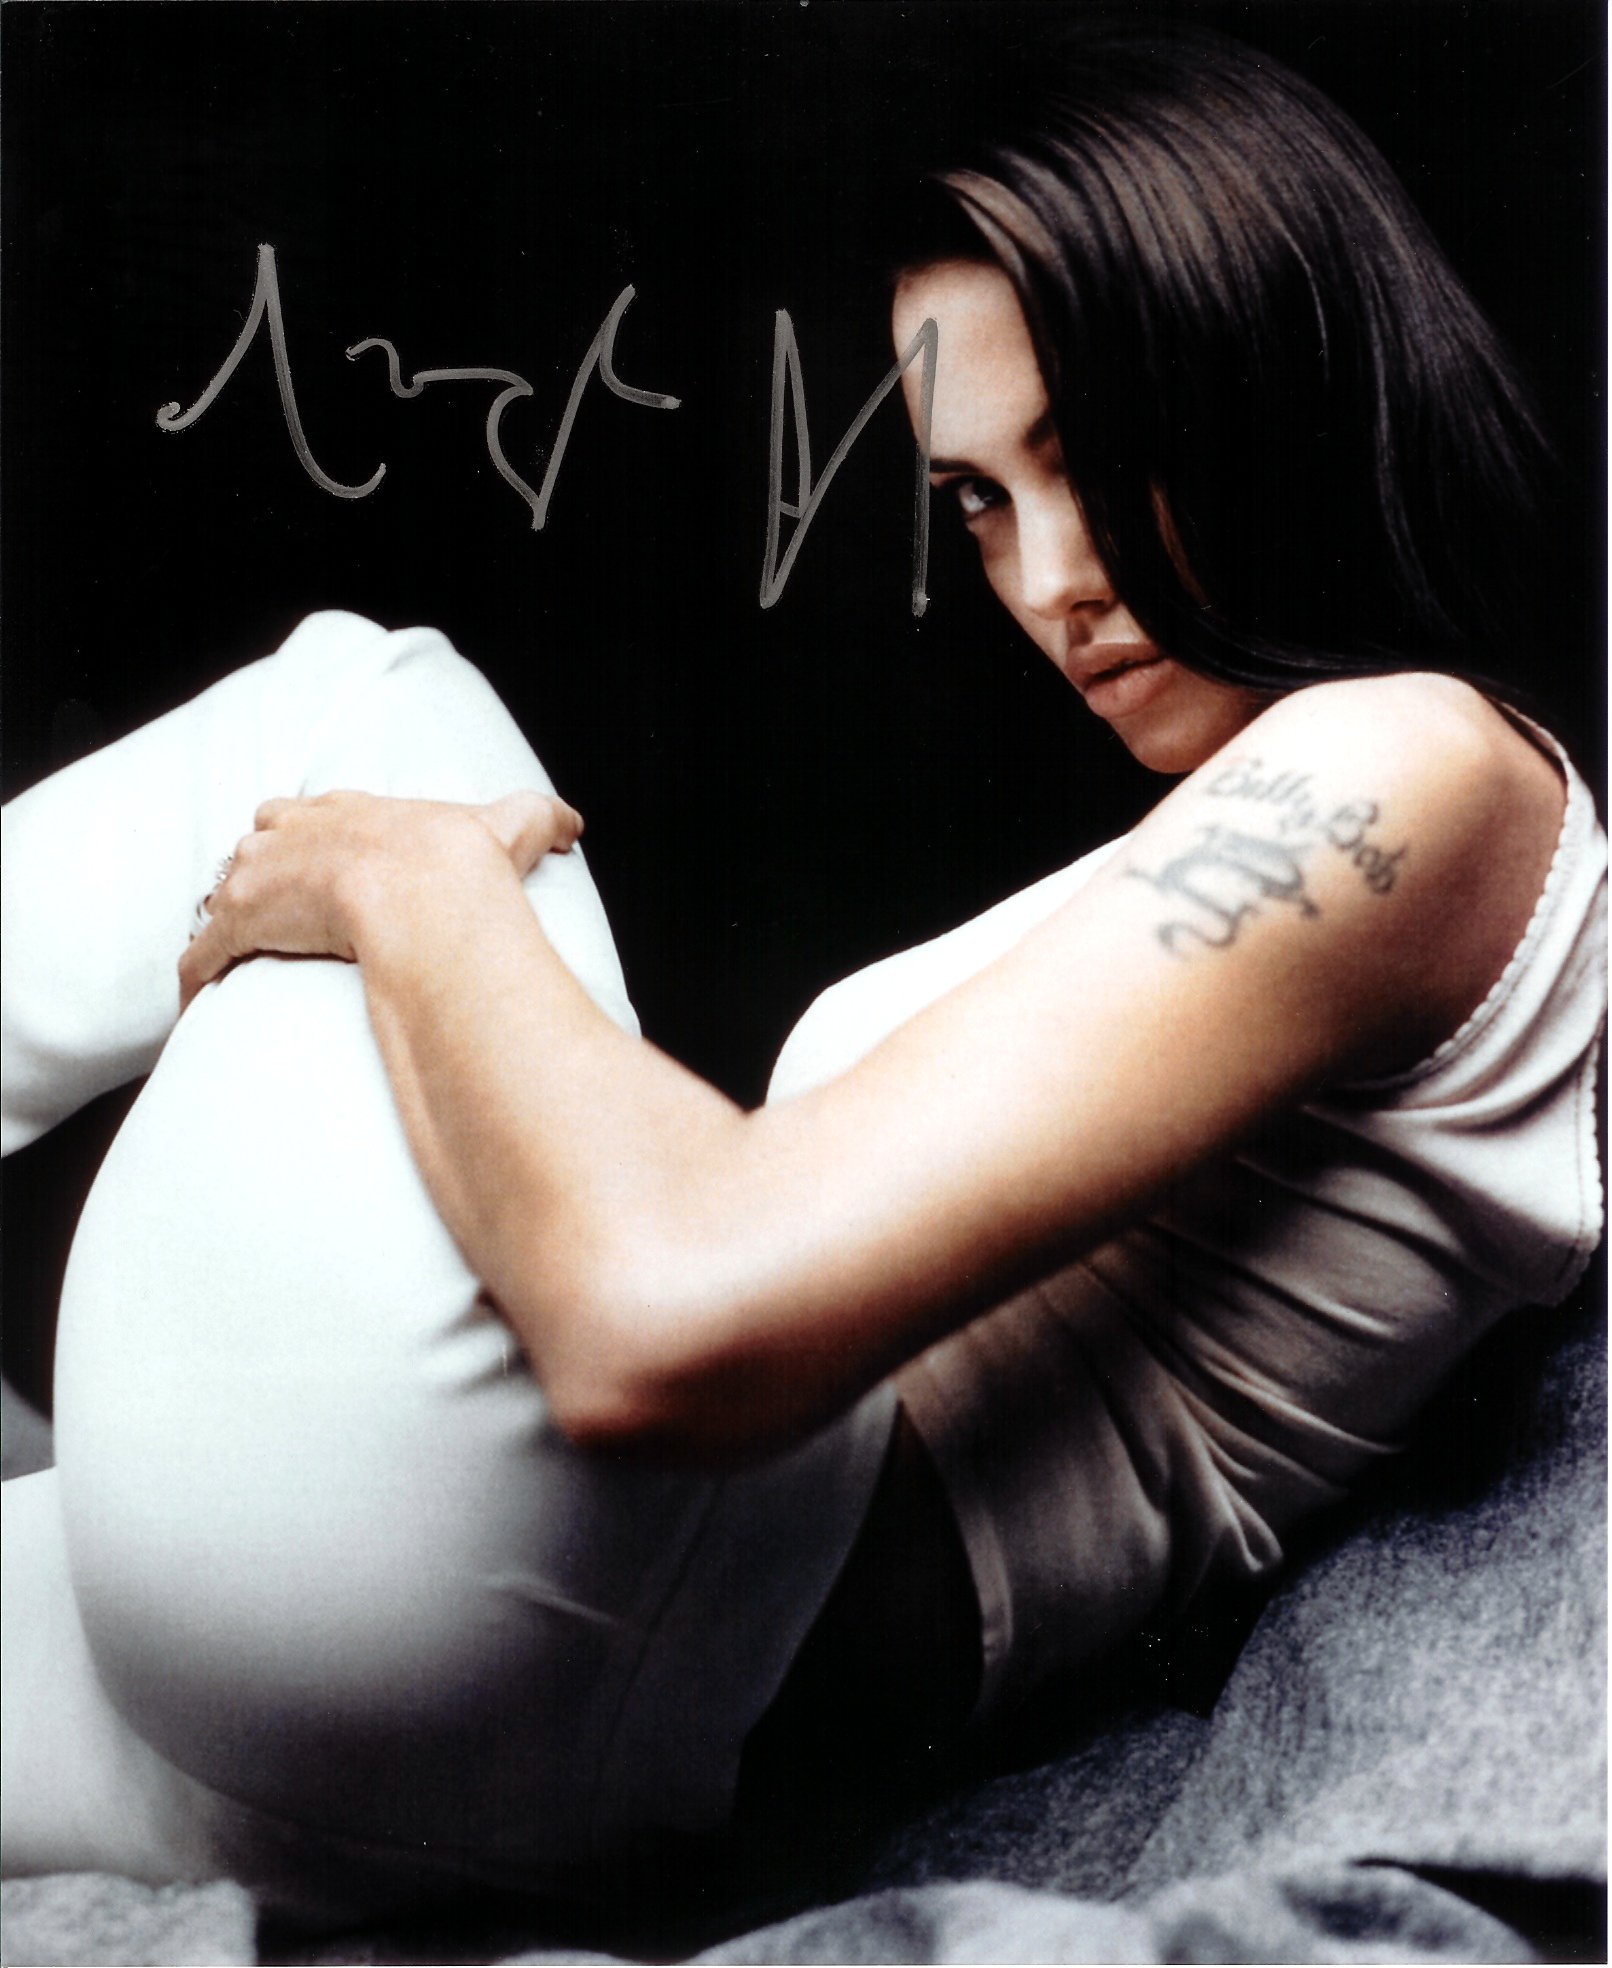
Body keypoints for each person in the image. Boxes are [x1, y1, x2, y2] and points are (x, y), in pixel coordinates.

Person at [2, 21, 1603, 1925]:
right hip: (535, 1751)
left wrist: (411, 882)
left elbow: (667, 1309)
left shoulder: (1421, 766)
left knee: (367, 707)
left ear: (1285, 373)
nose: (1049, 583)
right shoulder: (1385, 851)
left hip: (596, 1561)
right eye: (978, 500)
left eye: (1094, 455)